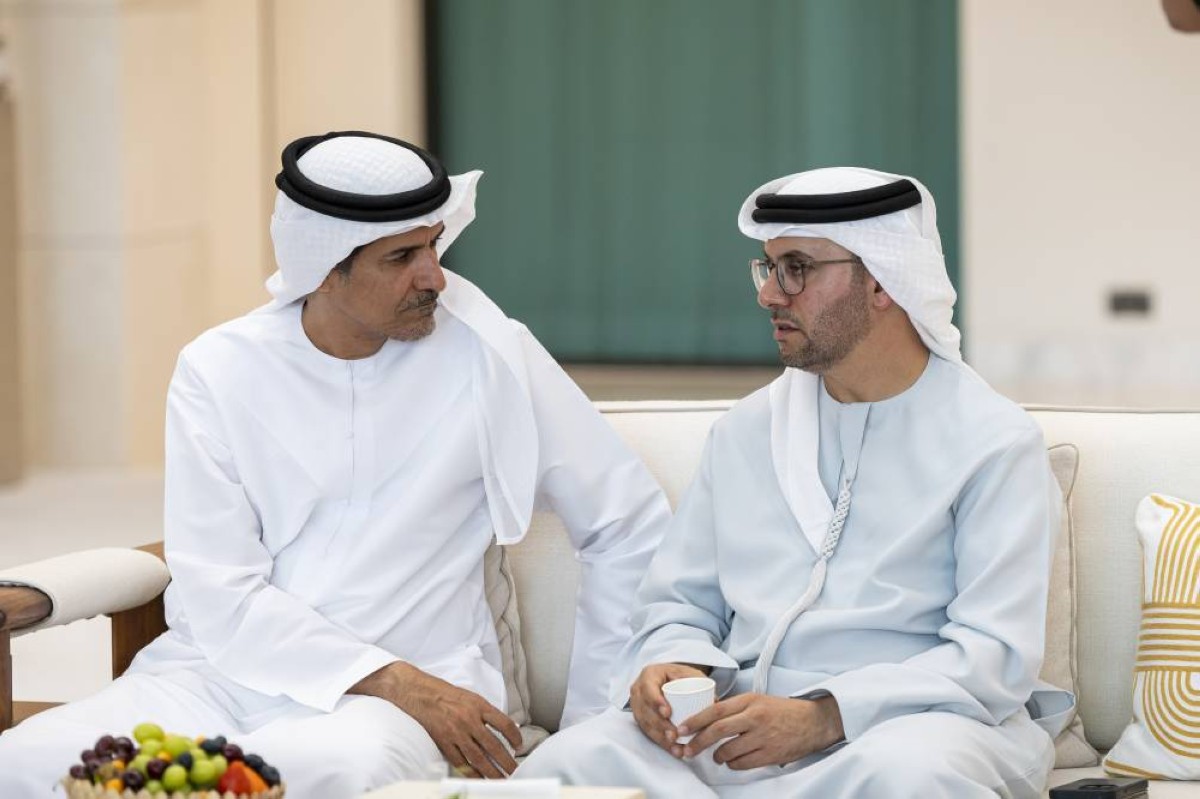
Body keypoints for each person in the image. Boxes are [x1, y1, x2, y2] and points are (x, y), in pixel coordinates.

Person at [0, 132, 670, 798]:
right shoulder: (220, 366)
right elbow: (218, 589)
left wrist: (591, 729)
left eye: (435, 245)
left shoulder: (489, 353)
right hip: (219, 674)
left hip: (419, 691)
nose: (434, 275)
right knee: (29, 759)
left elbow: (627, 521)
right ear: (322, 267)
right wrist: (386, 673)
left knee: (325, 770)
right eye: (402, 256)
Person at [515, 167, 1071, 798]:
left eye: (798, 268)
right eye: (769, 267)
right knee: (566, 767)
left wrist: (824, 716)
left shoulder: (992, 441)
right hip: (741, 732)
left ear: (883, 281)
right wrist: (672, 663)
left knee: (912, 778)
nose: (770, 295)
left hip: (911, 726)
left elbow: (993, 656)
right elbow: (678, 604)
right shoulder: (749, 431)